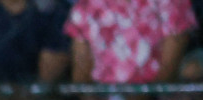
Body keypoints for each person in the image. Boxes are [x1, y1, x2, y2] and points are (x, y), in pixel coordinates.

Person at [66, 0, 195, 86]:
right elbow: (80, 74)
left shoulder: (170, 2)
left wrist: (139, 99)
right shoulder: (86, 5)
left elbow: (168, 70)